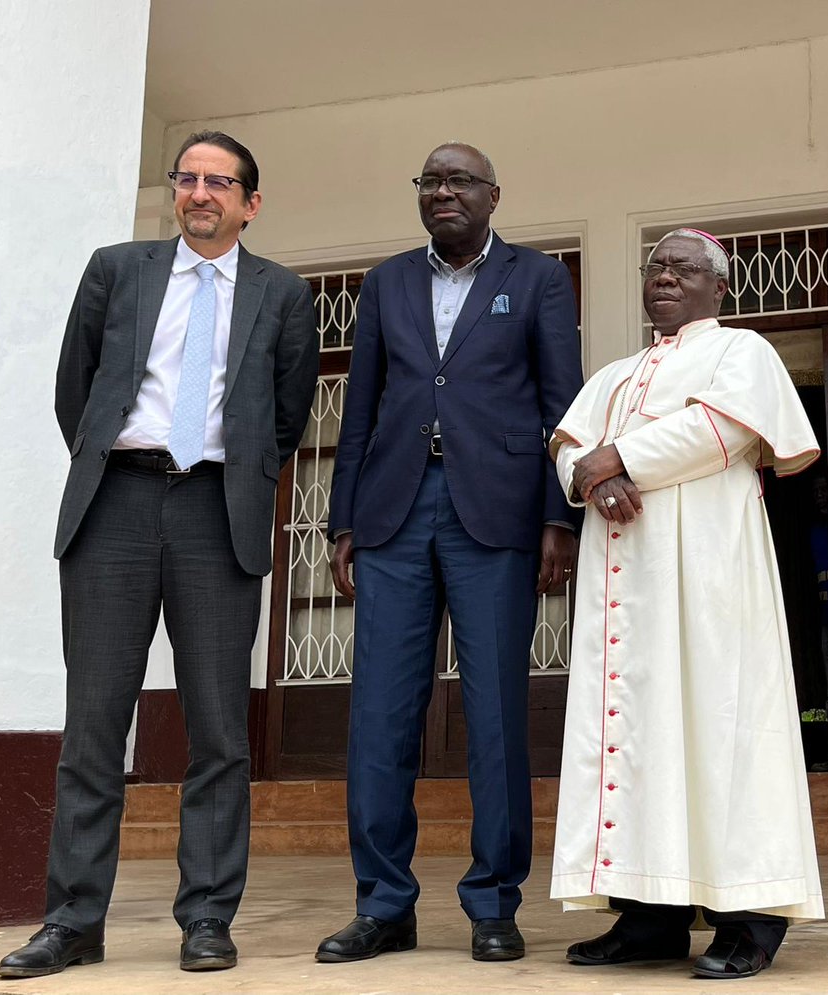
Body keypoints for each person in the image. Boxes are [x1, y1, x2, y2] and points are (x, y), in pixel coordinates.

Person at [0, 131, 320, 979]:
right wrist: (124, 463)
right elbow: (79, 391)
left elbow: (286, 417)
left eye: (221, 182)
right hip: (118, 504)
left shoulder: (284, 294)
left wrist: (228, 476)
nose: (200, 192)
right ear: (175, 192)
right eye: (189, 178)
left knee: (218, 727)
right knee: (96, 725)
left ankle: (208, 916)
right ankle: (72, 920)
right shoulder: (118, 269)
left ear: (251, 202)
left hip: (219, 510)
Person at [318, 143, 584, 964]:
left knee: (497, 711)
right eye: (430, 181)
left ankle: (493, 901)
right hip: (394, 512)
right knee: (380, 716)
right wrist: (342, 520)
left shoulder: (536, 277)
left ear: (494, 195)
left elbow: (559, 403)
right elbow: (358, 407)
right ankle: (384, 903)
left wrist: (557, 519)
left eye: (459, 180)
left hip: (495, 514)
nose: (443, 192)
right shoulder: (385, 282)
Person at [550, 228, 825, 980]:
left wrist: (616, 457)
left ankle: (749, 915)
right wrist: (594, 474)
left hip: (707, 566)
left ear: (719, 286)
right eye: (656, 266)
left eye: (685, 267)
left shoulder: (743, 352)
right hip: (625, 570)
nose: (666, 276)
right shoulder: (617, 371)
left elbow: (725, 428)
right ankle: (651, 913)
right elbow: (568, 441)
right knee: (638, 728)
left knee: (718, 721)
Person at [808, 473, 828, 772]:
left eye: (824, 489)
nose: (820, 496)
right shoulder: (815, 533)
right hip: (827, 621)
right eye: (816, 491)